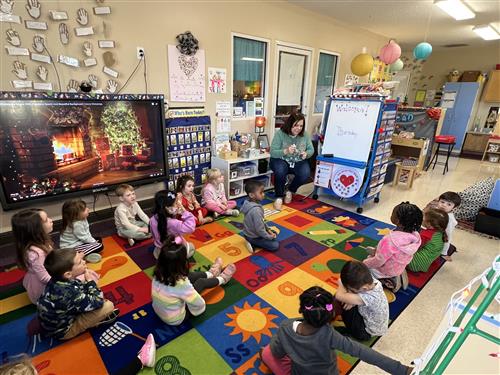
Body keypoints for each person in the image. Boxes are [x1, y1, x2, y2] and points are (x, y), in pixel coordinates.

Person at [260, 286, 412, 375]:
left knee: (267, 352)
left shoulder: (286, 326)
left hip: (299, 371)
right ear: (331, 313)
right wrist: (402, 370)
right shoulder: (330, 335)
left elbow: (277, 353)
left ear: (302, 309)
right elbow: (364, 353)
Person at [12, 209, 98, 304]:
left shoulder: (38, 242)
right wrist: (72, 278)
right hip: (47, 289)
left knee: (79, 267)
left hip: (46, 275)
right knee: (88, 275)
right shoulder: (37, 254)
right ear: (35, 229)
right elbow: (45, 278)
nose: (51, 220)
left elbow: (54, 259)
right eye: (46, 220)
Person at [151, 236, 236, 325]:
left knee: (189, 276)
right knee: (200, 282)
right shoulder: (181, 284)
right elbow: (197, 302)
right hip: (175, 319)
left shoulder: (158, 273)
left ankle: (211, 274)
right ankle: (223, 279)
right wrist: (199, 309)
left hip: (160, 310)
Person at [37, 248, 119, 340]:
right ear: (68, 274)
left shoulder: (57, 280)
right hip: (62, 332)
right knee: (108, 306)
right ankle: (94, 324)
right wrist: (90, 281)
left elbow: (77, 287)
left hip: (51, 322)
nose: (84, 262)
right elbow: (98, 301)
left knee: (83, 289)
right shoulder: (70, 293)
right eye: (80, 262)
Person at [363, 202, 422, 292]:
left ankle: (385, 281)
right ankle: (397, 275)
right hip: (399, 267)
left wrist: (366, 263)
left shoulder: (390, 240)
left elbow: (379, 260)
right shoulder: (416, 236)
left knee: (365, 269)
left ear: (398, 221)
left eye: (393, 213)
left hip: (385, 270)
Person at [270, 111, 314, 210]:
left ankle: (290, 190)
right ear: (290, 124)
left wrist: (306, 154)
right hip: (280, 160)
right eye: (296, 125)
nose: (298, 128)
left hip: (297, 161)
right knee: (280, 171)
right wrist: (285, 151)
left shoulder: (305, 135)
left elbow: (311, 150)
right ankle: (279, 196)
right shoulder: (280, 134)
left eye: (301, 126)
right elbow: (273, 152)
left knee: (305, 173)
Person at [334, 261, 389, 341]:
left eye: (352, 289)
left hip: (365, 332)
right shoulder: (373, 282)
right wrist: (351, 298)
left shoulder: (370, 297)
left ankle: (350, 331)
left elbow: (339, 296)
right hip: (375, 325)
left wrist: (342, 284)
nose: (350, 290)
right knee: (347, 299)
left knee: (343, 301)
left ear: (364, 288)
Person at [150, 190, 196, 259]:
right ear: (167, 208)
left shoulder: (152, 219)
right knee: (192, 246)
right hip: (171, 253)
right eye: (176, 203)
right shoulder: (173, 223)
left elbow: (153, 235)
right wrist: (185, 212)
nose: (178, 205)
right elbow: (190, 228)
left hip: (159, 252)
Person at [241, 180, 279, 253]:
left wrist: (268, 230)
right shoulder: (256, 210)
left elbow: (261, 222)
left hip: (248, 232)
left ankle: (250, 239)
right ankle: (251, 242)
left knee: (273, 233)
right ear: (252, 195)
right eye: (261, 193)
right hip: (253, 236)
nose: (263, 194)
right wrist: (269, 237)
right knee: (275, 245)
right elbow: (259, 229)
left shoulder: (248, 203)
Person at [407, 208, 448, 273]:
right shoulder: (441, 232)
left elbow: (415, 248)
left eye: (424, 218)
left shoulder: (425, 234)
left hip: (415, 264)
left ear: (429, 224)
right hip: (426, 262)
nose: (422, 219)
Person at [425, 191, 461, 261]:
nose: (444, 205)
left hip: (440, 237)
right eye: (442, 202)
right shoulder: (438, 210)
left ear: (454, 207)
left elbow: (448, 236)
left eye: (449, 204)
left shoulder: (449, 220)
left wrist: (444, 253)